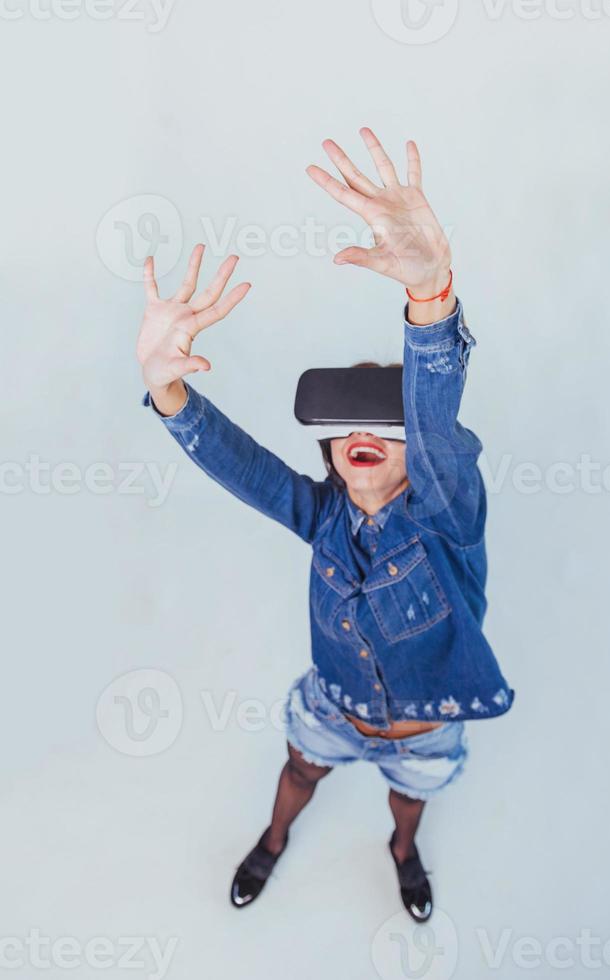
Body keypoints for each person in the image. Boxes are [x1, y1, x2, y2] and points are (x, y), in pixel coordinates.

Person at [136, 128, 514, 923]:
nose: (362, 433)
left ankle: (402, 855)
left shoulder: (449, 513)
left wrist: (431, 295)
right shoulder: (322, 514)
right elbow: (244, 468)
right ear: (334, 451)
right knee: (299, 773)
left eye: (387, 420)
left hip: (426, 729)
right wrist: (166, 389)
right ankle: (273, 842)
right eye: (345, 426)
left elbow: (437, 422)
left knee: (408, 807)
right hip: (331, 704)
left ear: (416, 450)